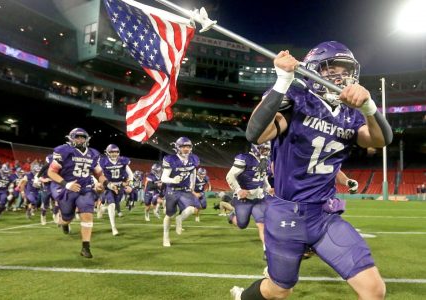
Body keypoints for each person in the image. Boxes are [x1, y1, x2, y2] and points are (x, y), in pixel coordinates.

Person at [232, 41, 392, 300]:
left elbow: (381, 140)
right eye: (332, 70)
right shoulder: (296, 99)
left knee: (374, 290)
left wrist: (369, 108)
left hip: (324, 215)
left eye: (346, 71)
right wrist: (282, 80)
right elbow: (255, 134)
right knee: (279, 291)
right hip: (287, 213)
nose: (341, 77)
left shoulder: (351, 114)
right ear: (315, 71)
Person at [47, 128, 108, 258]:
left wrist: (105, 184)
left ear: (87, 139)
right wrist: (66, 184)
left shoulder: (93, 154)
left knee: (87, 214)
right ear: (71, 138)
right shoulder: (63, 151)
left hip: (84, 189)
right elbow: (51, 172)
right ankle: (63, 222)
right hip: (66, 188)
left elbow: (99, 174)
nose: (80, 139)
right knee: (66, 219)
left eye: (82, 137)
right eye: (77, 137)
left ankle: (86, 247)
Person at [226, 142, 271, 260]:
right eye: (263, 149)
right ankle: (231, 217)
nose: (266, 151)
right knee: (242, 225)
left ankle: (267, 250)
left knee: (262, 224)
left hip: (258, 198)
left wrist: (268, 188)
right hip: (244, 198)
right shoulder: (245, 158)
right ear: (256, 148)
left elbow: (263, 178)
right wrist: (239, 189)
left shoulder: (266, 161)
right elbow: (230, 176)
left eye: (267, 149)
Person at [161, 137, 200, 247]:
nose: (186, 149)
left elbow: (193, 170)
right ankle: (166, 237)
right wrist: (173, 180)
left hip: (184, 190)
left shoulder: (193, 159)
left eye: (188, 146)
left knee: (192, 209)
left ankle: (179, 219)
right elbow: (163, 177)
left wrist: (192, 184)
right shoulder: (171, 159)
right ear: (177, 147)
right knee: (169, 215)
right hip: (172, 190)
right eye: (183, 146)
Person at [98, 144, 133, 236]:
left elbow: (130, 174)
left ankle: (103, 208)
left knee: (116, 203)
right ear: (107, 152)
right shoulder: (103, 161)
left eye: (116, 152)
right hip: (109, 185)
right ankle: (114, 227)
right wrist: (100, 183)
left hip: (120, 185)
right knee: (112, 205)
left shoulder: (123, 161)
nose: (114, 154)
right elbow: (98, 174)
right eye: (112, 152)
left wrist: (129, 182)